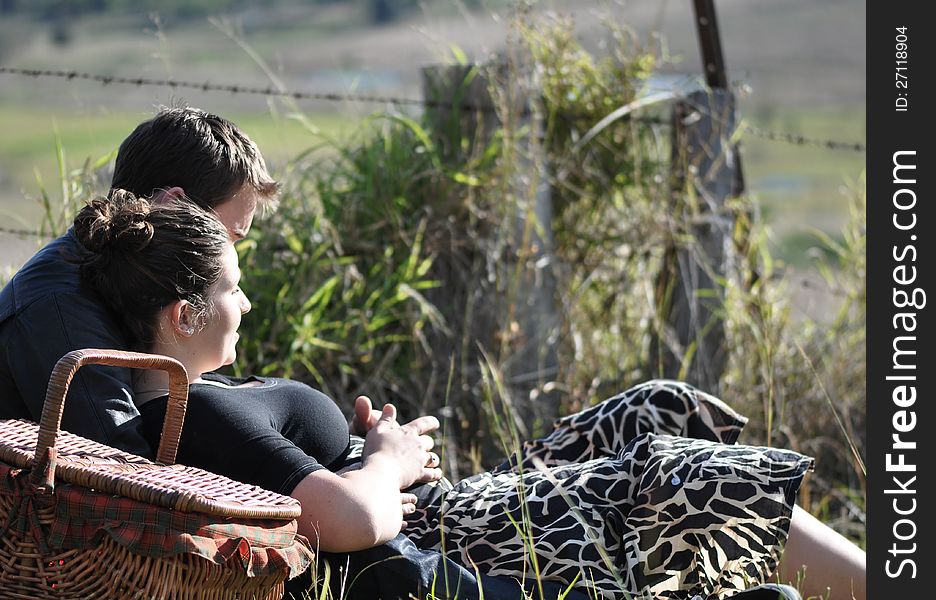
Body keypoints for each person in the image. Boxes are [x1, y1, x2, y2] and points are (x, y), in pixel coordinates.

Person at [71, 190, 865, 600]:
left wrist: (374, 456)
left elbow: (311, 490)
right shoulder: (192, 410)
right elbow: (351, 521)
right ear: (185, 315)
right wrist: (384, 459)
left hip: (439, 507)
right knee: (679, 475)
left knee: (652, 407)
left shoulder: (199, 398)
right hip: (447, 535)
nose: (247, 304)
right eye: (234, 289)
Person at [0, 106, 278, 458]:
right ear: (173, 204)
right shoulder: (59, 309)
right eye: (229, 236)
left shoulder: (136, 285)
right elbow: (123, 470)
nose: (230, 255)